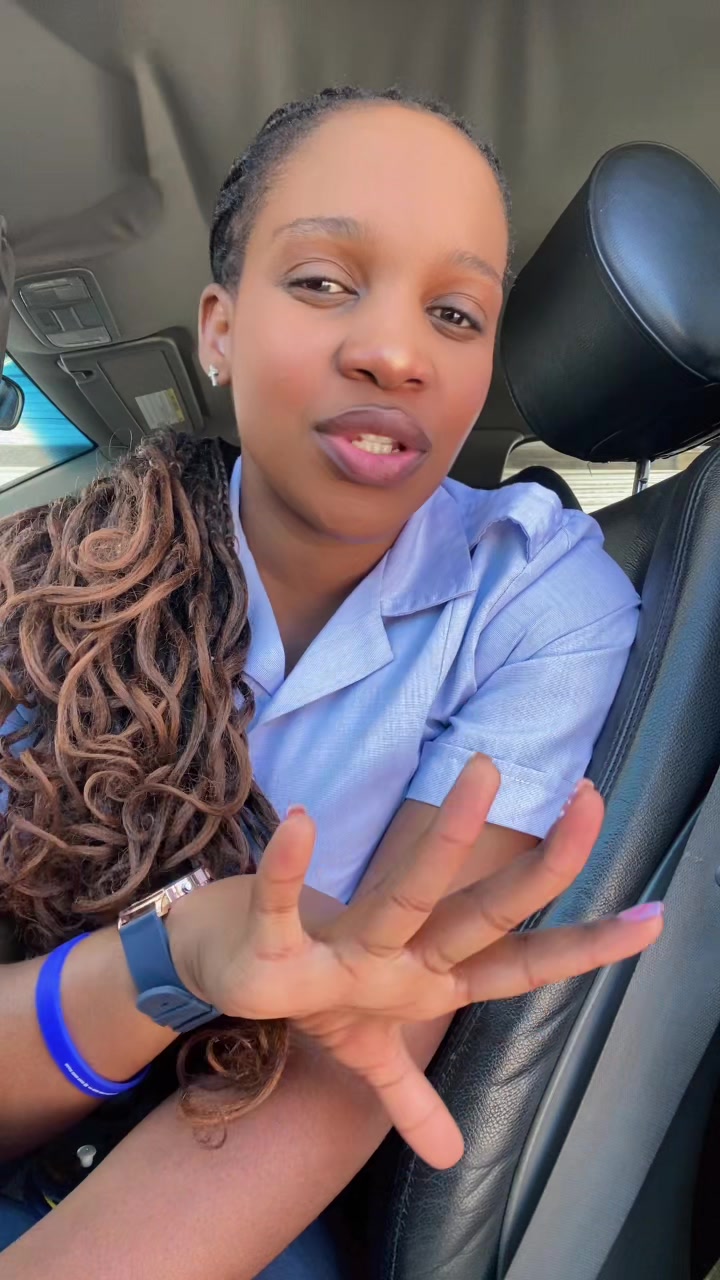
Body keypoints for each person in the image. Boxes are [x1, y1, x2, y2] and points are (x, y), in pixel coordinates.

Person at [0, 87, 662, 1279]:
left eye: (455, 312)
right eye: (321, 281)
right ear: (217, 329)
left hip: (233, 1159)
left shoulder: (536, 594)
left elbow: (364, 1029)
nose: (395, 352)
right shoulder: (55, 594)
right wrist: (173, 957)